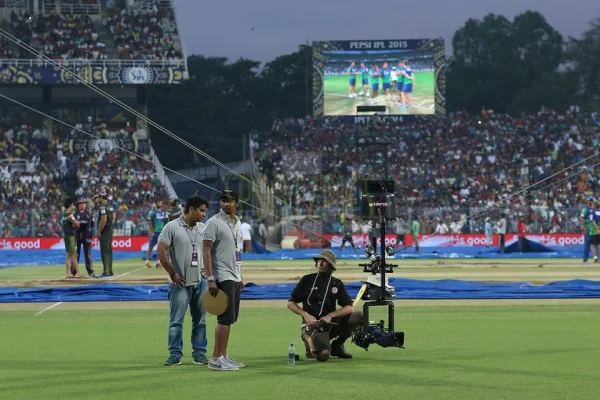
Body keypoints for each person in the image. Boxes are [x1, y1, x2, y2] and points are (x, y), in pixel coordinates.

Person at [157, 195, 209, 366]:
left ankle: (200, 353)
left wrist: (208, 273)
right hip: (179, 284)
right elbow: (161, 250)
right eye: (201, 210)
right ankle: (175, 354)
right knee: (176, 321)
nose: (203, 214)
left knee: (200, 320)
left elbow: (210, 252)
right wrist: (172, 273)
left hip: (200, 282)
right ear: (191, 209)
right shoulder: (171, 227)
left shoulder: (203, 228)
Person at [287, 249, 363, 362]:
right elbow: (290, 303)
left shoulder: (337, 283)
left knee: (360, 316)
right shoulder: (307, 280)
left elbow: (349, 307)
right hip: (312, 326)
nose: (320, 263)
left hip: (329, 323)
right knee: (324, 356)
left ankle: (337, 345)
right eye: (319, 260)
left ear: (331, 266)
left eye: (324, 261)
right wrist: (305, 314)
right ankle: (312, 347)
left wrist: (330, 316)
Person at [202, 189, 245, 371]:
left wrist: (241, 275)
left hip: (234, 275)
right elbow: (206, 251)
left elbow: (237, 251)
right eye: (222, 200)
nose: (225, 203)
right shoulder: (214, 223)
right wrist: (210, 278)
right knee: (224, 319)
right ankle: (216, 358)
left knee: (230, 319)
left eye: (229, 200)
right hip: (222, 275)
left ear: (236, 203)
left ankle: (224, 356)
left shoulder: (237, 223)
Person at [75, 197, 95, 277]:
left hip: (86, 236)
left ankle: (90, 271)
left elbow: (92, 224)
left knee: (88, 254)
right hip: (77, 236)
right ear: (78, 205)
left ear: (85, 204)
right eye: (80, 203)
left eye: (83, 203)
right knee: (76, 254)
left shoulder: (89, 213)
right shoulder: (75, 214)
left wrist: (90, 233)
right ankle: (74, 271)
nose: (82, 205)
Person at [95, 191, 114, 278]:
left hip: (105, 231)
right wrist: (111, 225)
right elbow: (114, 216)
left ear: (101, 198)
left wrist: (99, 231)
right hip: (109, 230)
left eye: (99, 198)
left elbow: (104, 220)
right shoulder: (110, 206)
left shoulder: (103, 207)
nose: (98, 199)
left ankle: (106, 271)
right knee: (109, 250)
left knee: (104, 251)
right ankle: (109, 270)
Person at [62, 198, 82, 279]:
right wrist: (77, 224)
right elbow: (77, 224)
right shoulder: (69, 215)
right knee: (74, 255)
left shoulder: (64, 214)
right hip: (70, 236)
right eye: (72, 204)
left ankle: (68, 273)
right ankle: (78, 273)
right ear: (70, 205)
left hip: (66, 236)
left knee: (68, 255)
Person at [146, 199, 167, 268]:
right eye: (158, 202)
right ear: (156, 203)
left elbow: (165, 222)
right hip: (155, 232)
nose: (160, 204)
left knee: (160, 248)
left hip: (161, 232)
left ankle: (158, 262)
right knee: (151, 247)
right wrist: (152, 231)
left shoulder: (163, 213)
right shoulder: (152, 212)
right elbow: (149, 221)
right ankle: (147, 262)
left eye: (161, 202)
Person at [579, 196, 595, 263]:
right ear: (587, 201)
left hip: (595, 229)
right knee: (587, 245)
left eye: (591, 200)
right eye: (589, 200)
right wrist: (585, 227)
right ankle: (585, 259)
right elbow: (581, 218)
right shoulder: (585, 209)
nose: (590, 202)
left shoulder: (595, 209)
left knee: (596, 244)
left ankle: (596, 258)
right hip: (588, 229)